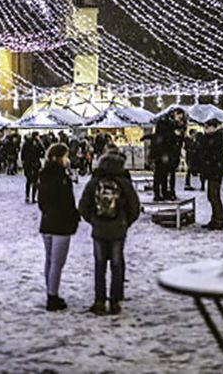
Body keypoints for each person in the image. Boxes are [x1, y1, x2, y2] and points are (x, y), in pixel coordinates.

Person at [78, 151, 140, 316]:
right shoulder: (124, 183)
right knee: (117, 265)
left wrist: (93, 220)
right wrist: (126, 222)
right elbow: (135, 207)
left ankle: (99, 300)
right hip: (118, 229)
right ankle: (115, 301)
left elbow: (83, 206)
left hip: (99, 230)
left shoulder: (94, 183)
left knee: (99, 266)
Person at [38, 143, 78, 311]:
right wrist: (73, 218)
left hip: (47, 223)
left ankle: (50, 292)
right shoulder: (61, 178)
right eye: (65, 156)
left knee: (49, 260)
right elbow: (67, 202)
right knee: (57, 262)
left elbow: (42, 202)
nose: (67, 160)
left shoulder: (45, 175)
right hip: (60, 225)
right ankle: (52, 297)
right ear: (59, 157)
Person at [197, 120, 223, 231]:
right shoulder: (214, 137)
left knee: (214, 196)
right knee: (211, 196)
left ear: (213, 127)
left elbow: (210, 151)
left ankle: (219, 220)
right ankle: (215, 219)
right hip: (213, 170)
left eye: (207, 127)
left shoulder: (216, 138)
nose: (206, 129)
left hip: (215, 171)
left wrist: (203, 139)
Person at [21, 134, 44, 203]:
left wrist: (23, 162)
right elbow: (43, 152)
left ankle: (27, 197)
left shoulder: (26, 143)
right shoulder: (37, 143)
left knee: (29, 181)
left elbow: (22, 154)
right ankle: (33, 197)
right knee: (35, 181)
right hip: (35, 164)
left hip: (28, 164)